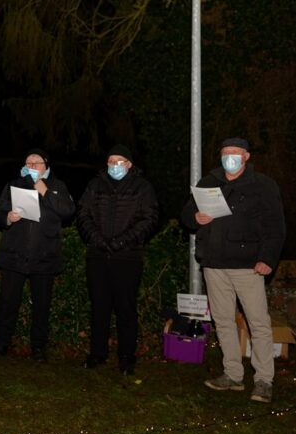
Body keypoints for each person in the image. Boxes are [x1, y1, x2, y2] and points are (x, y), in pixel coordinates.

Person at [181, 137, 285, 403]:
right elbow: (187, 214)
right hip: (214, 265)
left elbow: (276, 227)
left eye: (235, 153)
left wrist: (268, 258)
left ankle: (263, 380)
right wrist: (195, 217)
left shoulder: (262, 185)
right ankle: (233, 374)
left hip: (248, 265)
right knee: (223, 321)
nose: (230, 157)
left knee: (258, 323)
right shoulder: (208, 181)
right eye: (226, 153)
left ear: (246, 156)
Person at [76, 144, 159, 375]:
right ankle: (97, 353)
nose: (114, 165)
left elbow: (149, 218)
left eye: (119, 161)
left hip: (128, 258)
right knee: (99, 307)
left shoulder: (142, 187)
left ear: (129, 164)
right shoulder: (95, 185)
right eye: (111, 161)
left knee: (125, 309)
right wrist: (99, 241)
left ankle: (126, 356)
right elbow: (83, 215)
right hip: (98, 256)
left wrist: (122, 241)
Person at [0, 149, 76, 361]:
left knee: (41, 305)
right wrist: (7, 217)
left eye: (36, 162)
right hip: (14, 254)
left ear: (46, 165)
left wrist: (43, 190)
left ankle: (38, 347)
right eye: (28, 162)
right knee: (8, 302)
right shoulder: (14, 184)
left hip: (44, 255)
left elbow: (67, 212)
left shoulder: (58, 186)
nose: (32, 166)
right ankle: (2, 343)